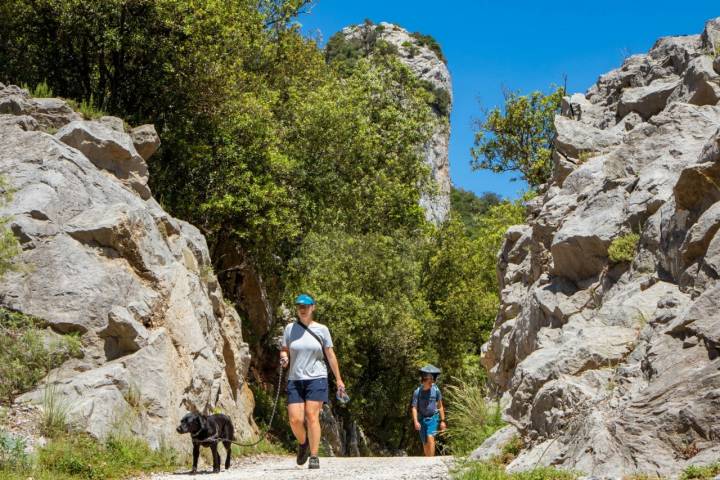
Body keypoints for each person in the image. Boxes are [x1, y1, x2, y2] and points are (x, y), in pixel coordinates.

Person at [280, 294, 346, 470]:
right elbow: (284, 349)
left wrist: (339, 379)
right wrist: (284, 357)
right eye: (300, 306)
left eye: (306, 306)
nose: (303, 309)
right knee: (295, 419)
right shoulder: (289, 329)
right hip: (295, 378)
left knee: (311, 416)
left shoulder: (322, 329)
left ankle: (314, 455)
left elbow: (330, 355)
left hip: (317, 378)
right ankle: (303, 444)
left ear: (313, 307)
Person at [411, 364, 446, 457]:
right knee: (425, 443)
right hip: (422, 419)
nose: (432, 382)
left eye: (432, 379)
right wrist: (416, 422)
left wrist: (442, 421)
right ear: (424, 380)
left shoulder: (436, 390)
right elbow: (414, 408)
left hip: (433, 418)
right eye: (430, 380)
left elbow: (440, 406)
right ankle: (428, 460)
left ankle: (431, 461)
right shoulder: (417, 392)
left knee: (430, 437)